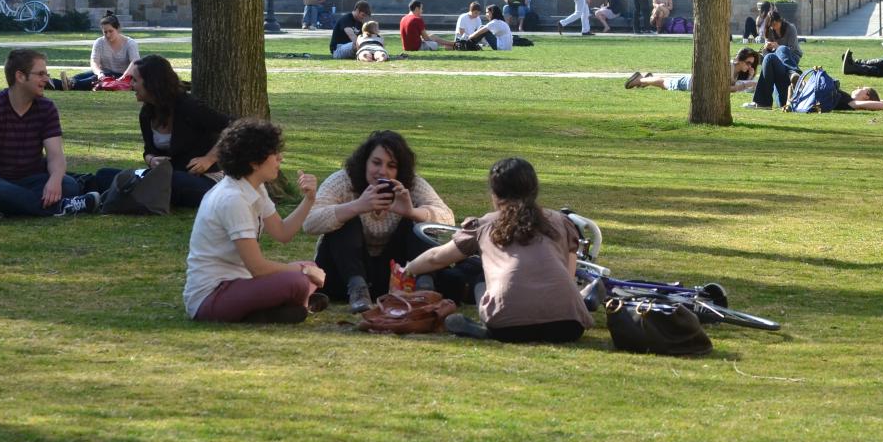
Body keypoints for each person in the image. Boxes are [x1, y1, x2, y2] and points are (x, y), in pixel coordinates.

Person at [403, 158, 594, 343]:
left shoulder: (484, 225)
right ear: (534, 190)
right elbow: (569, 275)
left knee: (479, 277)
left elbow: (436, 257)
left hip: (508, 326)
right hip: (569, 325)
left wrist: (408, 269)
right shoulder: (561, 221)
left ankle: (487, 325)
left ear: (494, 194)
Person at [182, 120, 329, 324]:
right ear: (254, 161)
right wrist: (304, 271)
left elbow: (282, 233)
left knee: (309, 268)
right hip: (212, 296)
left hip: (241, 282)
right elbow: (258, 268)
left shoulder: (254, 187)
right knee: (298, 280)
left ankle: (284, 306)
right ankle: (290, 304)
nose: (280, 158)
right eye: (274, 153)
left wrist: (309, 199)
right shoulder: (233, 199)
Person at [305, 130, 455, 313]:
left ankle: (424, 288)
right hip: (343, 273)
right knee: (346, 220)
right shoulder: (342, 181)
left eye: (391, 166)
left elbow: (448, 220)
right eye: (376, 163)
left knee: (420, 225)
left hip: (393, 274)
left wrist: (412, 212)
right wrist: (357, 206)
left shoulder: (410, 185)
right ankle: (358, 291)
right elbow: (309, 222)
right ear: (365, 162)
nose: (382, 171)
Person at [0, 48, 100, 219]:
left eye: (46, 74)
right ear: (20, 76)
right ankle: (63, 207)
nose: (46, 79)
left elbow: (55, 155)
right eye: (40, 74)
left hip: (33, 178)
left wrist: (54, 180)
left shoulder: (46, 108)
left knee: (68, 185)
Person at [88, 55, 231, 208]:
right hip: (164, 177)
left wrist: (209, 159)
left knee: (172, 181)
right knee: (105, 175)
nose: (131, 85)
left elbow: (234, 127)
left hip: (203, 180)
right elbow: (148, 151)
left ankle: (123, 194)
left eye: (135, 80)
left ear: (152, 83)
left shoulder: (189, 107)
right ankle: (89, 197)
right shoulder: (146, 114)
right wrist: (151, 160)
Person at [63, 12, 139, 90]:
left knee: (93, 79)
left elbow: (135, 62)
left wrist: (124, 76)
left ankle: (72, 84)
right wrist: (99, 73)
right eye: (105, 32)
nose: (108, 35)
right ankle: (64, 82)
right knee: (80, 76)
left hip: (120, 76)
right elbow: (94, 62)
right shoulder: (99, 42)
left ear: (118, 29)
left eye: (111, 31)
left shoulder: (130, 43)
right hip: (103, 73)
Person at [744, 9, 805, 108]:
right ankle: (792, 73)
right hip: (778, 64)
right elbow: (766, 58)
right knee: (769, 56)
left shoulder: (790, 28)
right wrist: (765, 49)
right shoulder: (770, 31)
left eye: (775, 24)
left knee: (782, 49)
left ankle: (762, 102)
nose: (773, 27)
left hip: (792, 57)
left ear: (780, 21)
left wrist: (777, 47)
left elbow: (792, 49)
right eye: (771, 25)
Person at [626, 48, 761, 92]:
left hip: (694, 83)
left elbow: (740, 87)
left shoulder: (738, 72)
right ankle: (640, 79)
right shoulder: (729, 67)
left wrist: (749, 78)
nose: (750, 67)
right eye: (748, 63)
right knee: (664, 83)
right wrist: (747, 84)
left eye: (752, 64)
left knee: (665, 83)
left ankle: (647, 79)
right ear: (740, 59)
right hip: (691, 83)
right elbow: (724, 88)